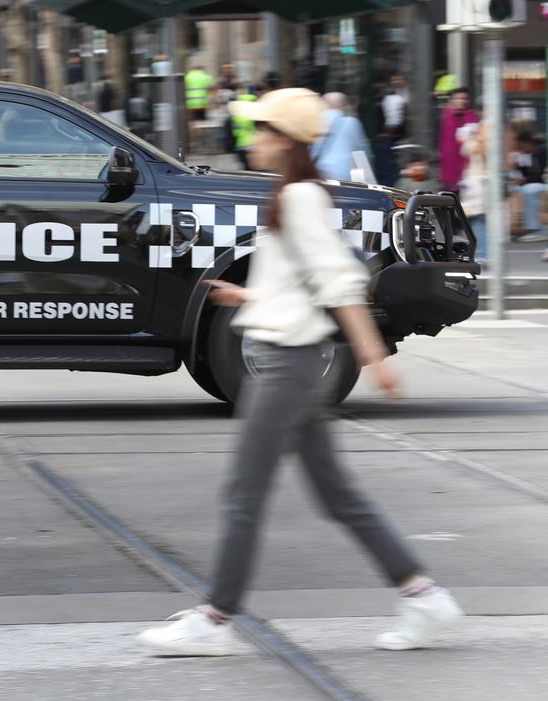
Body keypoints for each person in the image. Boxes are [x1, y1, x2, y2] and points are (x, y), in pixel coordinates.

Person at [136, 87, 463, 657]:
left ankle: (214, 619)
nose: (254, 140)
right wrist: (249, 293)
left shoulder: (305, 198)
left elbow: (338, 281)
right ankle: (423, 595)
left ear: (288, 140)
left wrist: (373, 356)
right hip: (293, 360)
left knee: (244, 494)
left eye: (263, 131)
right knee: (339, 496)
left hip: (290, 366)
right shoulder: (289, 194)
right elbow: (300, 278)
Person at [312, 92, 372, 182]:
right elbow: (361, 152)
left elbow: (313, 150)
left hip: (321, 172)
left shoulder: (316, 121)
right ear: (342, 105)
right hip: (344, 173)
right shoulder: (351, 122)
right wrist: (364, 179)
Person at [458, 122, 491, 263]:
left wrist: (469, 138)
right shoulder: (481, 132)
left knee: (478, 218)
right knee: (477, 219)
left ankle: (483, 253)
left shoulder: (484, 134)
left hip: (481, 182)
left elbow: (476, 149)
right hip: (476, 182)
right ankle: (483, 252)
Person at [438, 88, 479, 192]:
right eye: (458, 98)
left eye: (464, 98)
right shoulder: (443, 116)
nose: (462, 101)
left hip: (467, 165)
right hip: (448, 164)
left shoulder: (473, 117)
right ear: (451, 100)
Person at [511, 132, 546, 241]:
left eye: (523, 145)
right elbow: (518, 172)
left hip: (540, 183)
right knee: (515, 190)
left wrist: (525, 179)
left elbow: (539, 174)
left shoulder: (542, 153)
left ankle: (534, 228)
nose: (522, 148)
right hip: (527, 184)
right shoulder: (522, 156)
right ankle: (520, 227)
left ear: (530, 144)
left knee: (530, 190)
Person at [230, 85, 258, 170]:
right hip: (254, 144)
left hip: (241, 145)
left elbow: (234, 132)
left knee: (247, 171)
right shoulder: (256, 109)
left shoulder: (236, 112)